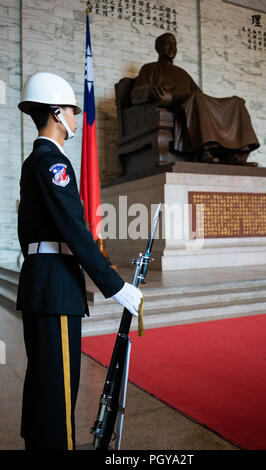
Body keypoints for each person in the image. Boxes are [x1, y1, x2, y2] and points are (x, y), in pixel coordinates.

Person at [17, 72, 142, 450]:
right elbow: (74, 230)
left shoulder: (32, 161)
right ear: (56, 112)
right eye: (72, 109)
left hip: (40, 280)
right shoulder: (54, 163)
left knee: (42, 383)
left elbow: (28, 233)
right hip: (56, 288)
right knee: (59, 390)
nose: (76, 117)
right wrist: (116, 286)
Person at [131, 33, 260, 166]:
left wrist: (224, 104)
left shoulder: (182, 73)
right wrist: (149, 91)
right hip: (172, 103)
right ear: (158, 47)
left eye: (175, 44)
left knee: (236, 102)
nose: (172, 47)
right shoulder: (149, 69)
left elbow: (202, 97)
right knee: (196, 98)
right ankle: (204, 151)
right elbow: (135, 95)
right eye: (168, 43)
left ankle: (235, 153)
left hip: (191, 102)